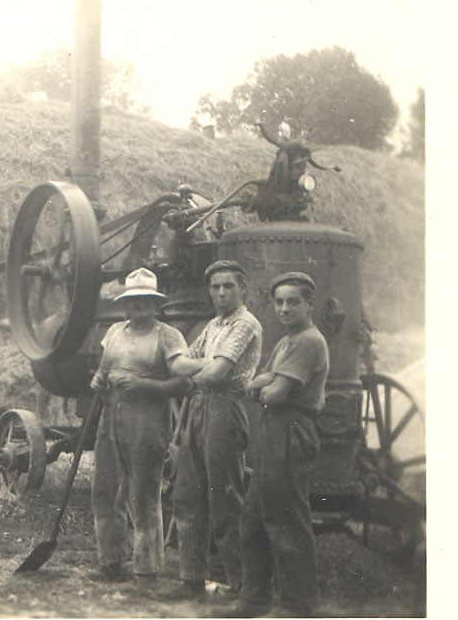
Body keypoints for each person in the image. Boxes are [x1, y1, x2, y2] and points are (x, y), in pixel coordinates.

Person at [88, 267, 198, 590]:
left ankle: (147, 570)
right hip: (110, 419)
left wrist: (141, 383)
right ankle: (110, 561)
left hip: (148, 421)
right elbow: (102, 372)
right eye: (132, 301)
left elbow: (185, 383)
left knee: (144, 494)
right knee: (105, 489)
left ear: (155, 304)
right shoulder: (113, 333)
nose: (138, 308)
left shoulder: (168, 335)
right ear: (125, 304)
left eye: (144, 301)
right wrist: (97, 380)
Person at [227, 272, 329, 618]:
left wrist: (263, 388)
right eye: (279, 301)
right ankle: (253, 600)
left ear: (309, 304)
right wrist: (263, 386)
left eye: (293, 302)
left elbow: (273, 392)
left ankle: (298, 605)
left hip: (292, 430)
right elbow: (262, 381)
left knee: (286, 520)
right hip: (274, 430)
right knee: (254, 517)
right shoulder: (287, 340)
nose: (284, 308)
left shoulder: (307, 341)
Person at [164, 260, 262, 602]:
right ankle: (192, 581)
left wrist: (201, 369)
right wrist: (205, 366)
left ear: (243, 288)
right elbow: (176, 363)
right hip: (198, 407)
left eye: (228, 287)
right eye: (216, 287)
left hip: (226, 407)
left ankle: (241, 586)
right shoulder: (214, 324)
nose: (221, 293)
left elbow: (217, 374)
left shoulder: (246, 324)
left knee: (225, 499)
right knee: (187, 493)